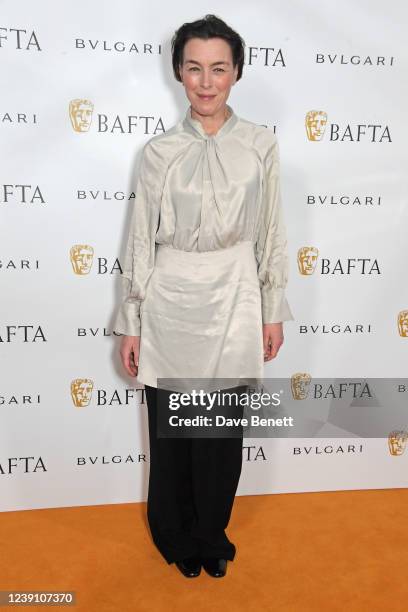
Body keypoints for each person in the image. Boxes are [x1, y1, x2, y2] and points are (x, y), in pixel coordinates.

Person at [114, 14, 294, 578]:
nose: (207, 81)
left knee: (219, 430)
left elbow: (270, 231)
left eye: (219, 68)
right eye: (195, 68)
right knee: (171, 428)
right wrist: (131, 321)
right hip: (170, 297)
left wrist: (272, 309)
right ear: (178, 73)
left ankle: (210, 537)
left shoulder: (261, 145)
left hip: (237, 292)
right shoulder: (158, 152)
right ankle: (174, 538)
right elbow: (141, 237)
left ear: (236, 72)